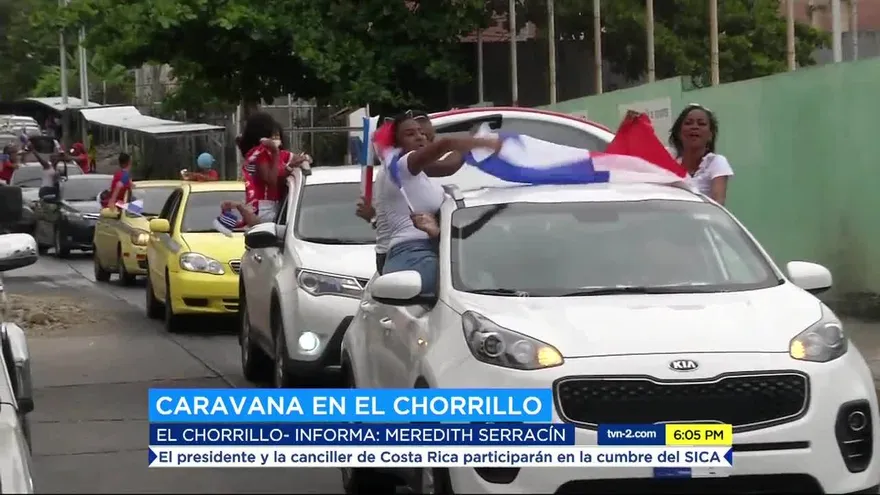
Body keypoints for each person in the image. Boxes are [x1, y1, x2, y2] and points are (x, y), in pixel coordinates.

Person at [375, 112, 501, 297]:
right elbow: (445, 145)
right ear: (396, 144)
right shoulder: (402, 166)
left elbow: (450, 164)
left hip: (435, 247)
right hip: (413, 254)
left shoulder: (419, 174)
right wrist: (483, 142)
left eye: (422, 133)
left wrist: (493, 213)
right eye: (410, 134)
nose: (420, 137)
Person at [668, 104, 733, 205]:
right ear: (679, 133)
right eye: (688, 123)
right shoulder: (668, 160)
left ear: (710, 135)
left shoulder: (716, 162)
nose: (694, 127)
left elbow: (718, 203)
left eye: (701, 124)